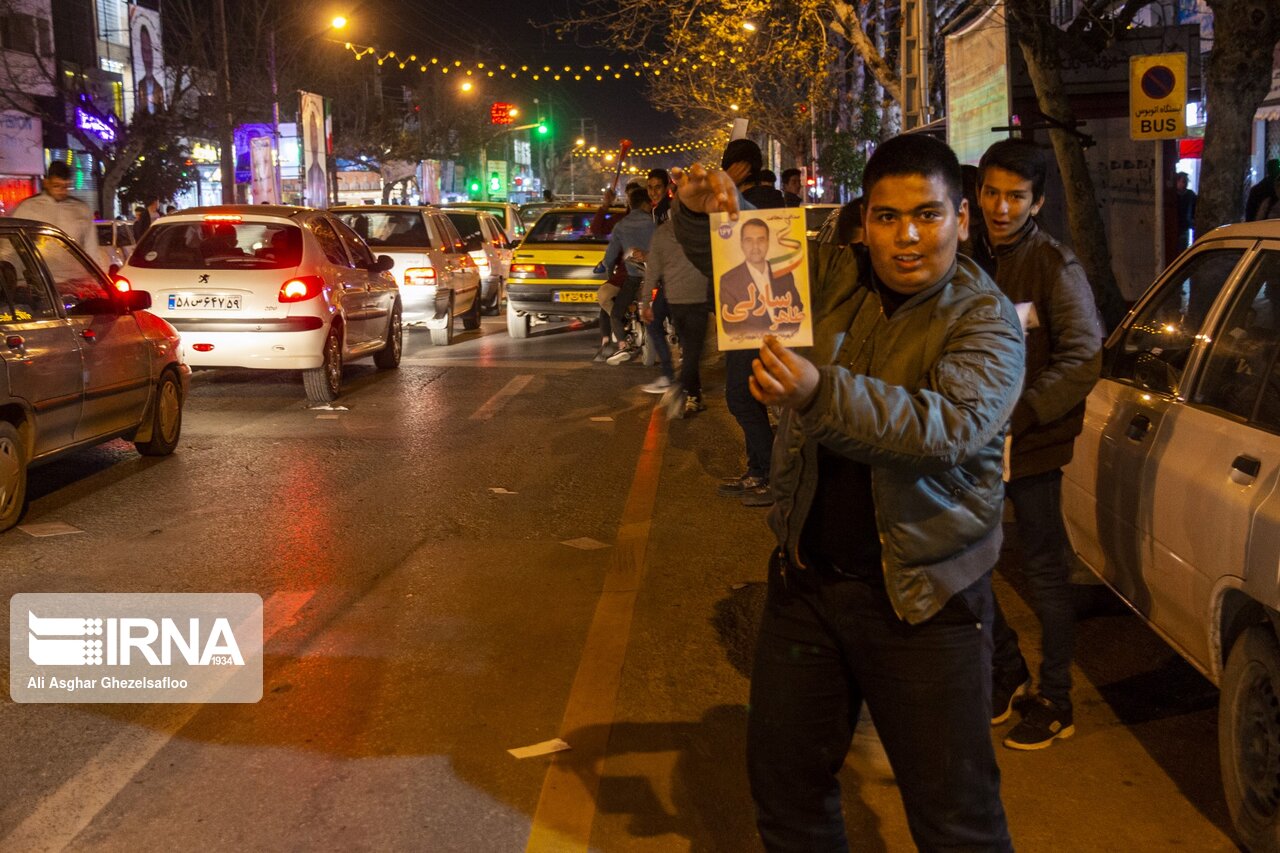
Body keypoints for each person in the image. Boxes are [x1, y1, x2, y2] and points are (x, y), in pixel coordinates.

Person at [673, 132, 1023, 851]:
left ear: (962, 218)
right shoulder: (836, 278)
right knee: (787, 793)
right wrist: (708, 213)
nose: (907, 236)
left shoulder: (985, 318)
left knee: (957, 820)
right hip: (808, 587)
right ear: (864, 222)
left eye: (927, 215)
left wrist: (818, 392)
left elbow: (944, 429)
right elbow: (746, 270)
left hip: (925, 602)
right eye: (888, 217)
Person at [977, 138, 1101, 750]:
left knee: (1044, 570)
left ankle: (1056, 697)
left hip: (1032, 445)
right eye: (993, 193)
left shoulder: (1055, 264)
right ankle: (1006, 670)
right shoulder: (964, 255)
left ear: (1037, 201)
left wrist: (1022, 414)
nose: (1002, 208)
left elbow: (1083, 357)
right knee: (965, 565)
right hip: (971, 444)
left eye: (1016, 197)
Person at [714, 138, 785, 507]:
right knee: (746, 398)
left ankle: (771, 476)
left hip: (760, 317)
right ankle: (758, 470)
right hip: (744, 312)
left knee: (742, 398)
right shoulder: (756, 200)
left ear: (739, 168)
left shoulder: (768, 201)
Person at [640, 218, 711, 417]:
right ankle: (680, 386)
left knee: (690, 349)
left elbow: (652, 269)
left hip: (675, 300)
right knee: (694, 351)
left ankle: (694, 395)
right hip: (698, 298)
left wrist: (646, 303)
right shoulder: (704, 228)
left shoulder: (663, 232)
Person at [718, 218, 804, 338]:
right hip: (745, 351)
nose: (755, 246)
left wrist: (781, 336)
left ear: (768, 242)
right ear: (741, 244)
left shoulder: (784, 274)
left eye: (761, 240)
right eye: (749, 240)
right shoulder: (728, 281)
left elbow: (797, 309)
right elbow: (730, 326)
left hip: (785, 347)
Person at [600, 185, 656, 365]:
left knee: (616, 314)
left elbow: (609, 258)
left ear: (630, 205)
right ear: (647, 205)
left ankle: (623, 345)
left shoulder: (621, 226)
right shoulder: (656, 223)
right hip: (657, 278)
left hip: (633, 279)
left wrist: (610, 274)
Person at [13, 161, 105, 266]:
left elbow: (91, 248)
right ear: (46, 183)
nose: (62, 191)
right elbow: (12, 246)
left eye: (66, 186)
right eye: (56, 186)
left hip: (75, 277)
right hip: (41, 278)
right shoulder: (28, 208)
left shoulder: (81, 209)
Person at [1174, 172, 1196, 251]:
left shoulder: (1190, 195)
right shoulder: (1173, 195)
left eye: (1186, 181)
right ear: (1177, 182)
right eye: (1183, 181)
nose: (1185, 184)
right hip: (1175, 226)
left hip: (1185, 227)